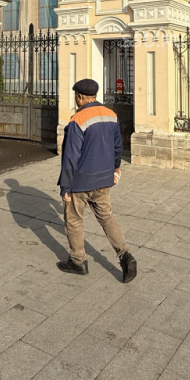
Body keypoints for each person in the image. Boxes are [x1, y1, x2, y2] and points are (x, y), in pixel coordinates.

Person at [57, 78, 136, 283]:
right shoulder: (111, 115)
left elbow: (70, 157)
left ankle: (77, 261)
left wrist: (65, 186)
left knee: (74, 219)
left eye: (76, 97)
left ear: (80, 97)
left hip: (80, 182)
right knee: (106, 217)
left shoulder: (78, 120)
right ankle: (125, 255)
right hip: (104, 179)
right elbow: (118, 147)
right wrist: (115, 169)